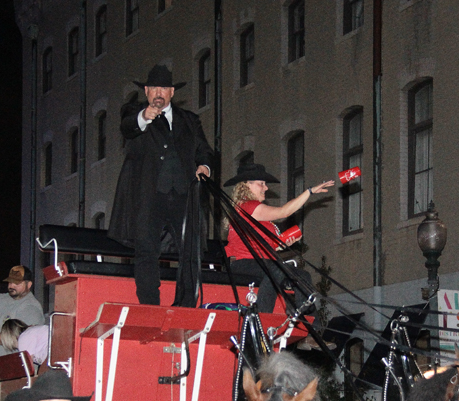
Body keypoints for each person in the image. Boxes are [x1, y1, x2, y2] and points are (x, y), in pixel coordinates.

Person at [107, 64, 214, 308]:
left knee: (191, 253)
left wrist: (204, 167)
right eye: (154, 87)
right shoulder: (134, 112)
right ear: (146, 90)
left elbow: (205, 151)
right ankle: (150, 307)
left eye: (164, 88)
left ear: (172, 93)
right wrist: (144, 117)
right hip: (149, 196)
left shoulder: (189, 120)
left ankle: (185, 306)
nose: (159, 92)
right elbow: (127, 127)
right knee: (146, 252)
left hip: (183, 196)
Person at [223, 163, 334, 314]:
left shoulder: (259, 215)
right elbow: (283, 212)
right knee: (278, 269)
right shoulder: (247, 206)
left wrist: (280, 244)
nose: (266, 188)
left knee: (303, 276)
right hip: (244, 263)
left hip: (262, 262)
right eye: (261, 184)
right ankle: (263, 314)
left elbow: (261, 244)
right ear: (246, 186)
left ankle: (307, 324)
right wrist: (309, 192)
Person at [0, 266, 45, 360]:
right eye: (10, 282)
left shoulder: (31, 307)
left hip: (12, 369)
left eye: (17, 283)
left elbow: (18, 339)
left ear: (29, 284)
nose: (11, 286)